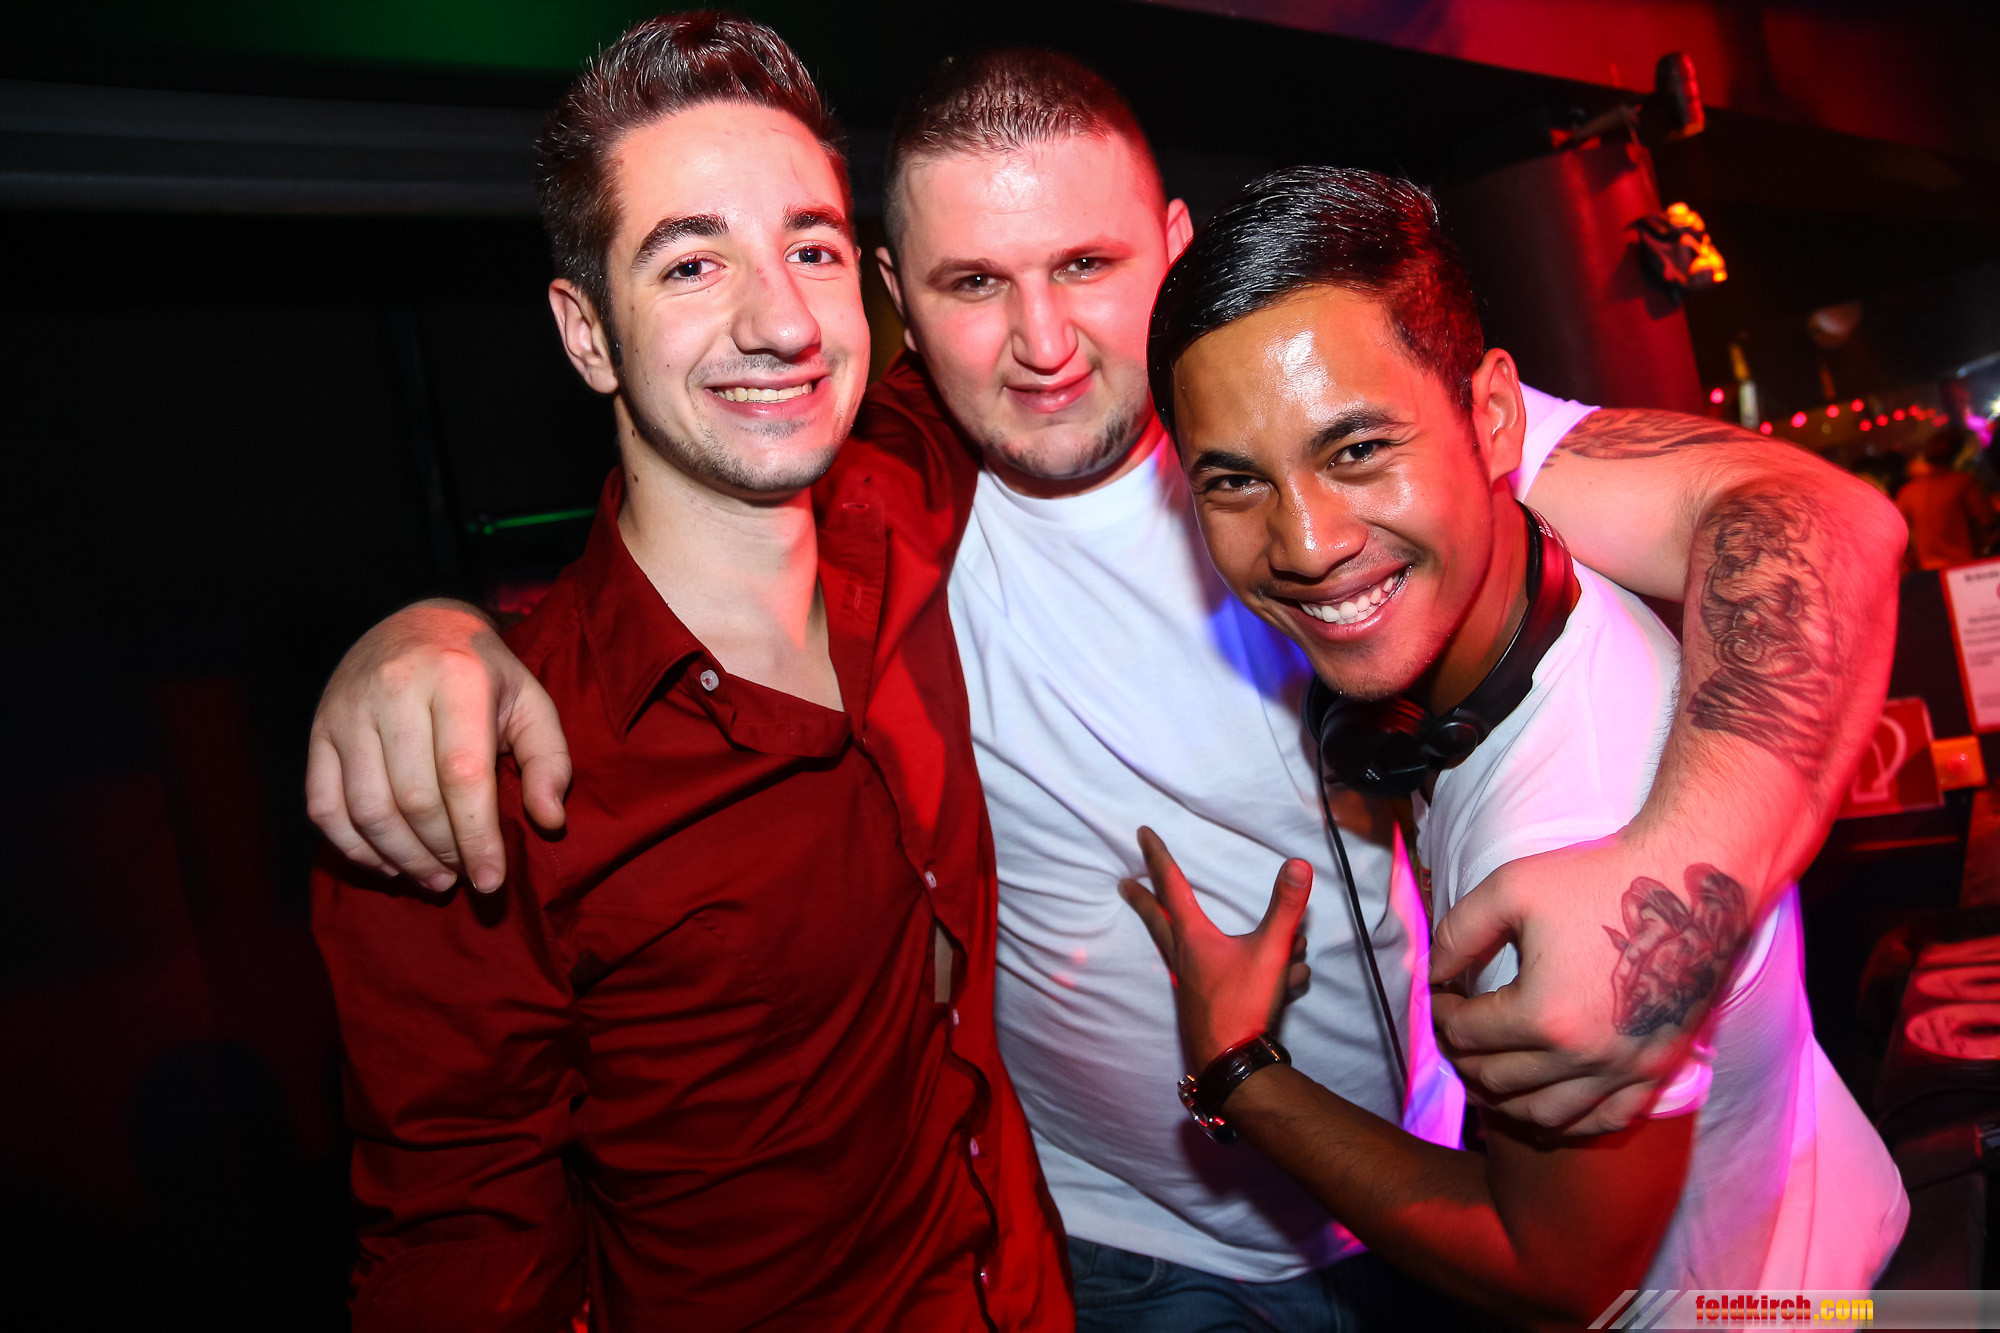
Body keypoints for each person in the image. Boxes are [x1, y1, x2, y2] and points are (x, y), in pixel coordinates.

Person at [305, 45, 1907, 1329]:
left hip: (1439, 1188)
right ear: (898, 297)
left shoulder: (1332, 433)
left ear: (1176, 252)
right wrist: (432, 630)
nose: (1046, 343)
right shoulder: (897, 495)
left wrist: (1673, 885)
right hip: (1132, 1253)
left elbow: (1815, 520)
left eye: (1088, 265)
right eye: (973, 285)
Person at [308, 16, 1069, 1330]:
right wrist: (420, 628)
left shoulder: (903, 494)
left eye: (810, 249)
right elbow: (460, 1245)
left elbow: (1069, 349)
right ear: (587, 334)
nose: (779, 321)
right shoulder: (478, 776)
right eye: (691, 263)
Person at [1125, 166, 1907, 1325]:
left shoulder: (1554, 831)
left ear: (1495, 414)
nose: (1303, 542)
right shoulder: (1545, 589)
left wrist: (1239, 1067)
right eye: (1235, 480)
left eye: (1355, 450)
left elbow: (1553, 1274)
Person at [1896, 425, 1992, 570]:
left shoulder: (1908, 492)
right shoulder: (1964, 483)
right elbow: (1986, 519)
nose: (1974, 454)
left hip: (1928, 571)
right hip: (1966, 568)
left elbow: (1901, 538)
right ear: (1958, 454)